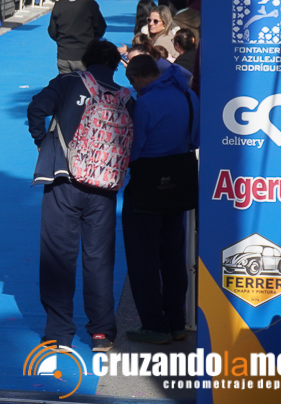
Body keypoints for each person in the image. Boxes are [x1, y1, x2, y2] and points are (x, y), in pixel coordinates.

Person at [26, 40, 133, 352]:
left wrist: (41, 141)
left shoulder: (68, 82)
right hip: (104, 187)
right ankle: (101, 333)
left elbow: (36, 109)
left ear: (86, 60)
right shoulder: (125, 97)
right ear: (114, 65)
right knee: (99, 259)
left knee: (58, 255)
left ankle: (58, 332)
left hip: (64, 179)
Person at [122, 55, 200, 345]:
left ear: (136, 78)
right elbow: (196, 138)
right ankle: (176, 321)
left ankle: (154, 325)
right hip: (180, 180)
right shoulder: (188, 95)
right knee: (173, 255)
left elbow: (136, 147)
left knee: (143, 257)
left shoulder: (145, 103)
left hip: (148, 183)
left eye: (133, 83)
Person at [47, 0, 107, 74]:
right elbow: (100, 27)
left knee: (66, 82)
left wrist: (62, 41)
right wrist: (92, 41)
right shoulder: (90, 4)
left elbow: (52, 31)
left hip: (64, 54)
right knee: (86, 82)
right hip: (85, 54)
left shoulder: (59, 5)